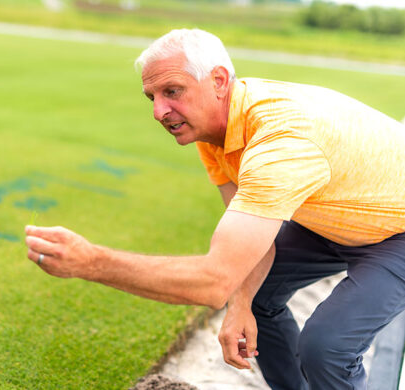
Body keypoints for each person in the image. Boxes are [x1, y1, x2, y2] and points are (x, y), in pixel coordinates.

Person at [25, 28, 405, 389]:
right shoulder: (213, 130)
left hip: (396, 230)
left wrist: (90, 262)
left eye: (172, 91)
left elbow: (214, 280)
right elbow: (250, 248)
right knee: (254, 295)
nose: (159, 111)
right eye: (152, 97)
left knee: (327, 346)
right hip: (332, 214)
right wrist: (241, 304)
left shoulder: (280, 143)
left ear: (220, 81)